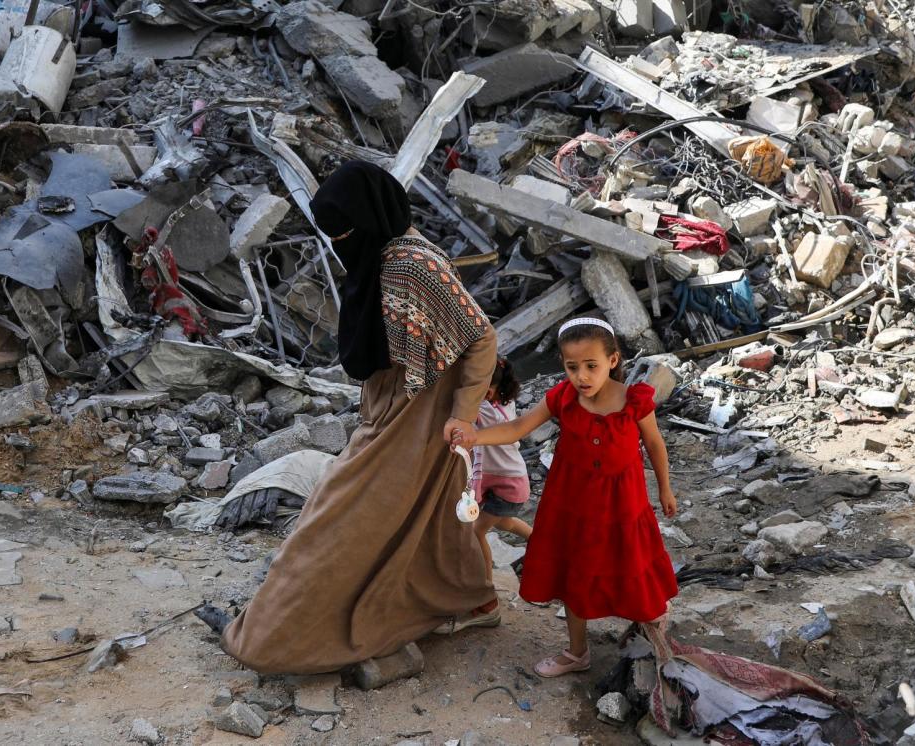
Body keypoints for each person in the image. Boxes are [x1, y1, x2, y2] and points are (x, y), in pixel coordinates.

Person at [208, 160, 499, 674]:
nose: (340, 240)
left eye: (345, 229)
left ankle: (266, 640)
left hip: (420, 415)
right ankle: (475, 601)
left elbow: (480, 337)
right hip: (391, 408)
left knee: (334, 516)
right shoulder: (381, 255)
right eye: (332, 233)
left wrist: (463, 415)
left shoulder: (413, 264)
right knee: (430, 514)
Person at [454, 317, 678, 677]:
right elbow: (517, 427)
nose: (582, 376)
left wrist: (665, 488)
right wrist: (473, 437)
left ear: (613, 361)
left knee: (631, 561)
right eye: (573, 367)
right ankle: (577, 653)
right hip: (571, 504)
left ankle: (649, 622)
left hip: (623, 504)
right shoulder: (562, 398)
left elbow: (654, 444)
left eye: (592, 366)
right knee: (575, 572)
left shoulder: (633, 401)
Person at [436, 359, 532, 638]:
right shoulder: (504, 404)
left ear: (492, 390)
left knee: (477, 532)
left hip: (507, 485)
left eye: (484, 391)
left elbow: (464, 412)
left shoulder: (486, 411)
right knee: (505, 524)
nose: (481, 395)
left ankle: (486, 590)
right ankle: (543, 546)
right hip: (514, 481)